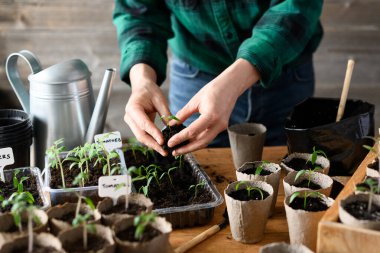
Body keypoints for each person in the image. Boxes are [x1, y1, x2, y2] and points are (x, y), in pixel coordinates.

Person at [113, 0, 323, 157]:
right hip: (196, 76)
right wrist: (142, 81)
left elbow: (296, 7)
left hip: (284, 73)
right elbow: (138, 12)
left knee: (288, 167)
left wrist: (234, 81)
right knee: (195, 165)